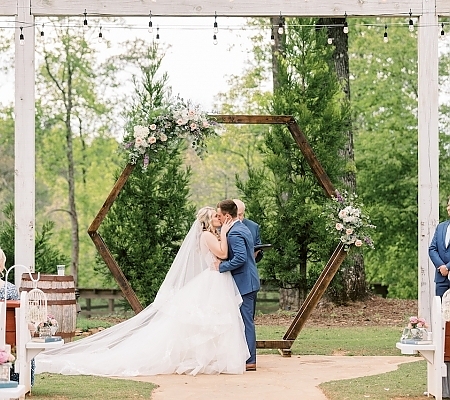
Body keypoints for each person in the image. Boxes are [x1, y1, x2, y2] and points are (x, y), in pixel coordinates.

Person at [36, 207, 249, 376]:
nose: (219, 219)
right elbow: (222, 252)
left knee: (208, 322)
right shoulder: (207, 236)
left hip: (214, 280)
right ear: (206, 221)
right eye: (214, 216)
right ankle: (204, 360)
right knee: (206, 321)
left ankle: (209, 359)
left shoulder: (210, 235)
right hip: (212, 279)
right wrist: (226, 233)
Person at [215, 199, 260, 372]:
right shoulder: (241, 227)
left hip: (244, 283)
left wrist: (221, 266)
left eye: (219, 215)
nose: (218, 218)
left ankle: (250, 360)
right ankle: (247, 358)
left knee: (246, 321)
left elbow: (240, 258)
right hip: (248, 281)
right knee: (243, 321)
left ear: (227, 216)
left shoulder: (234, 233)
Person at [429, 196, 450, 298]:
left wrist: (448, 267)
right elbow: (432, 249)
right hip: (441, 279)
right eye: (448, 205)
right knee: (441, 311)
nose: (448, 208)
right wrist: (442, 266)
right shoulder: (441, 227)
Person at [233, 199, 264, 263]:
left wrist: (256, 254)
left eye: (240, 215)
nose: (237, 218)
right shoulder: (222, 226)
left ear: (244, 213)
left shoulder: (253, 226)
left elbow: (259, 249)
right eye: (235, 215)